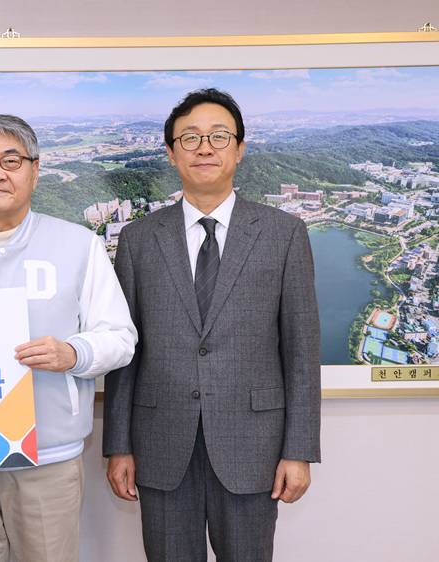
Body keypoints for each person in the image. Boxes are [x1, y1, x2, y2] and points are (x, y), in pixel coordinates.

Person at [103, 88, 321, 561]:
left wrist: (299, 450)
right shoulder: (138, 239)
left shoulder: (284, 234)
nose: (205, 148)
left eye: (219, 136)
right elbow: (125, 350)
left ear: (239, 149)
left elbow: (301, 352)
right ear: (171, 152)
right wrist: (118, 446)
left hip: (254, 446)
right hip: (160, 444)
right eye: (190, 137)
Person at [0, 114, 137, 561]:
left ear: (35, 171)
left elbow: (120, 337)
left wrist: (72, 352)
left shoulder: (78, 245)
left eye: (11, 160)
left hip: (48, 460)